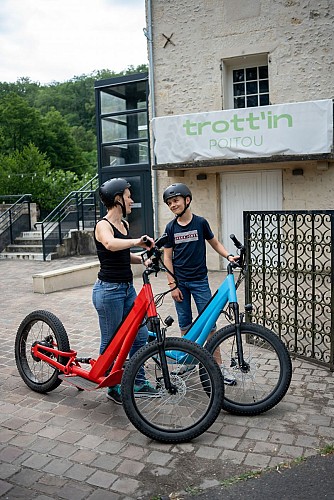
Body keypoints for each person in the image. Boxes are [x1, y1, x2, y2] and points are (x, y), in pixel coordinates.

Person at [92, 177, 159, 404]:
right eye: (128, 196)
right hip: (108, 291)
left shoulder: (125, 225)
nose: (132, 200)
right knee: (112, 341)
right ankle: (111, 385)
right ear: (117, 199)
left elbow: (122, 254)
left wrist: (142, 260)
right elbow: (110, 245)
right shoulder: (103, 226)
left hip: (127, 289)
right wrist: (137, 242)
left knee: (139, 337)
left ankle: (138, 381)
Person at [162, 183, 239, 368]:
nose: (173, 205)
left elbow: (214, 243)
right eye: (169, 203)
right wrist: (172, 285)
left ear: (187, 200)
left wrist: (228, 255)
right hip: (180, 283)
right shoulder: (171, 227)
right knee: (185, 323)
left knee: (210, 323)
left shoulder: (200, 223)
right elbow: (167, 257)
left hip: (199, 281)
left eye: (176, 200)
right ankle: (186, 363)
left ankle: (217, 365)